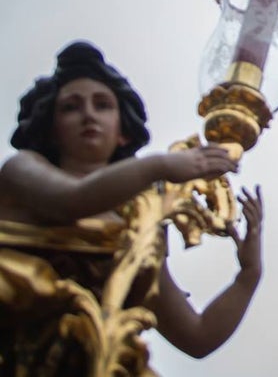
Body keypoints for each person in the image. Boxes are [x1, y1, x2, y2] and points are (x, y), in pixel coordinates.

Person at [0, 41, 264, 369]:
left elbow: (197, 335)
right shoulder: (22, 169)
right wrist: (159, 166)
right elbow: (71, 201)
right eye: (70, 107)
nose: (88, 115)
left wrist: (248, 275)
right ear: (51, 128)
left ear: (122, 131)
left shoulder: (138, 226)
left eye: (102, 105)